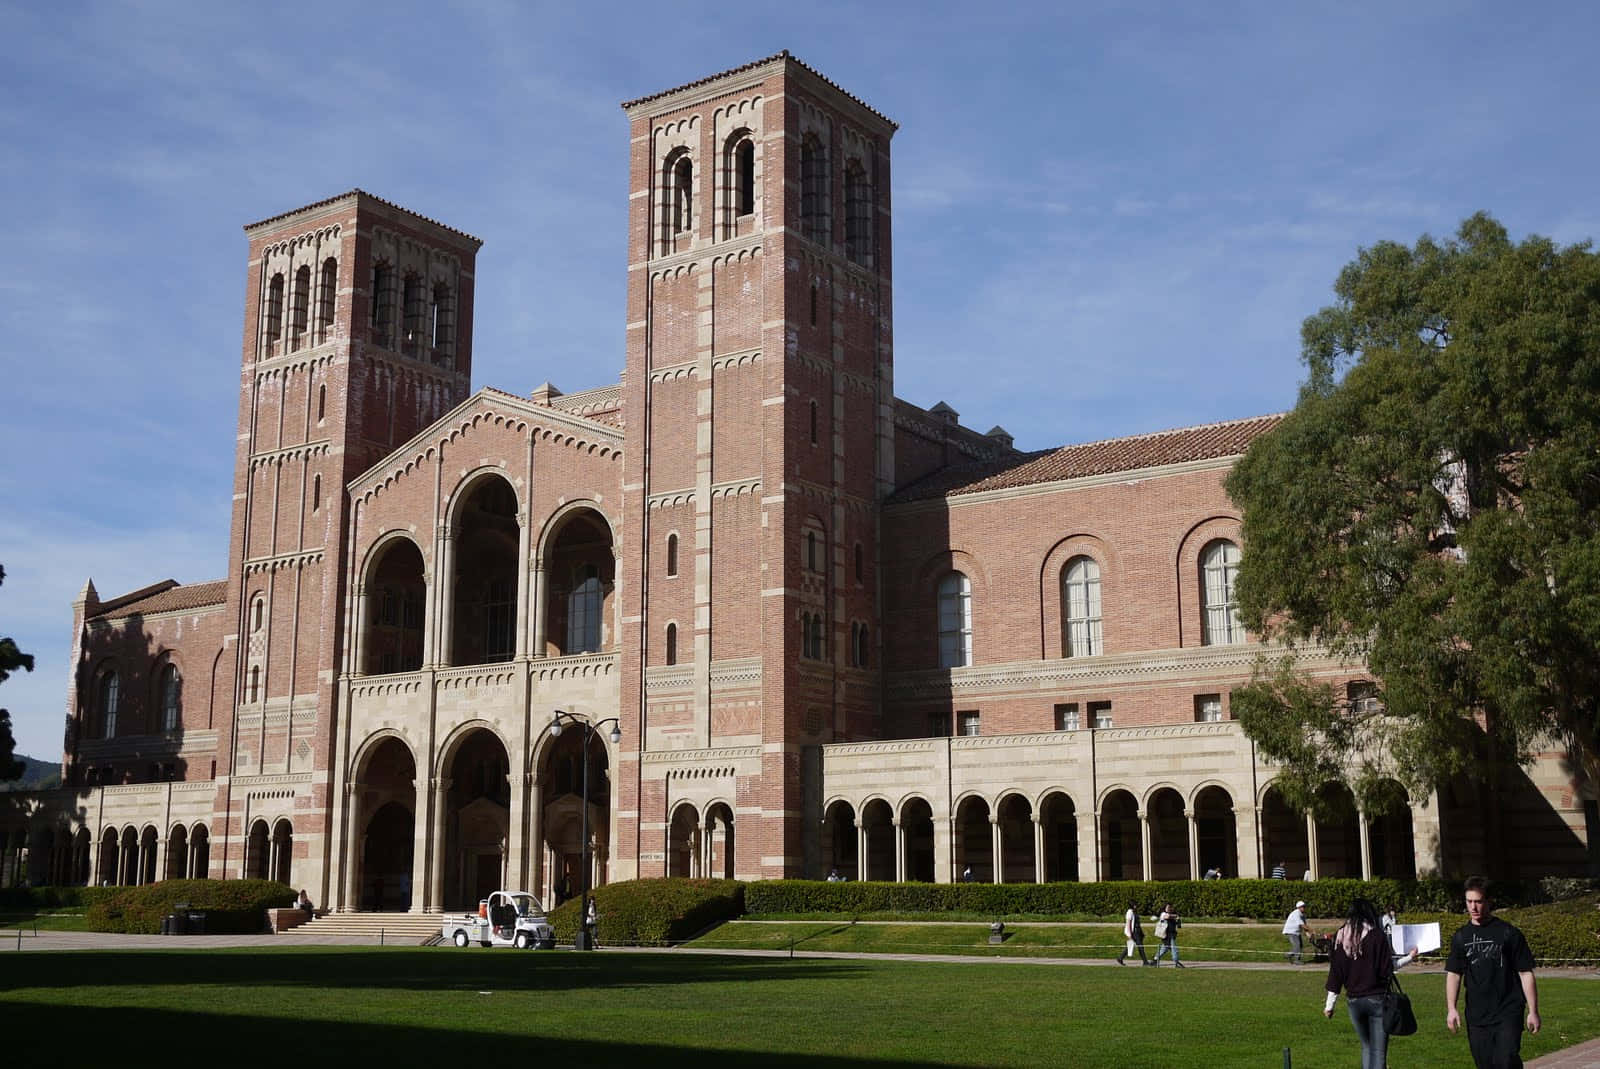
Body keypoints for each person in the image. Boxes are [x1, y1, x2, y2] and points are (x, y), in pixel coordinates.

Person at [1446, 876, 1540, 1068]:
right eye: (1469, 901)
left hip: (1508, 1010)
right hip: (1477, 1014)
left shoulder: (1508, 933)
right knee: (1485, 1064)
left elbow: (1525, 973)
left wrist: (1533, 1011)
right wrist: (1451, 1008)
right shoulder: (1461, 937)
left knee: (1505, 1060)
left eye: (1478, 901)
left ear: (1489, 901)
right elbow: (1454, 974)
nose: (1473, 907)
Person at [1322, 898, 1396, 1069]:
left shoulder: (1340, 937)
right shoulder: (1377, 936)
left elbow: (1335, 974)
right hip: (1376, 998)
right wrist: (1409, 958)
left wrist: (1329, 1005)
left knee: (1366, 1047)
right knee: (1378, 1052)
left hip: (1354, 1001)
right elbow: (1387, 969)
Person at [1152, 902, 1184, 967]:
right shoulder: (1163, 914)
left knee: (1165, 948)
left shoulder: (1172, 914)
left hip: (1171, 934)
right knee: (1174, 949)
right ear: (1165, 908)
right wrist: (1176, 916)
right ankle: (1176, 962)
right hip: (1167, 935)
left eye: (1170, 907)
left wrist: (1178, 921)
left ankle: (1155, 960)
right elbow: (1167, 916)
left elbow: (1178, 924)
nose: (1169, 908)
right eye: (1168, 907)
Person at [1284, 900, 1312, 964]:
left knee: (1300, 946)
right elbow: (1301, 925)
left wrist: (1308, 934)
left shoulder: (1302, 915)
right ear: (1298, 907)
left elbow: (1304, 925)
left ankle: (1288, 955)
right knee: (1297, 946)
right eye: (1302, 907)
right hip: (1291, 931)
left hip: (1296, 932)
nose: (1304, 908)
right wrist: (1312, 930)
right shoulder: (1296, 913)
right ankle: (1296, 960)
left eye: (1304, 906)